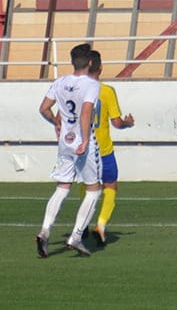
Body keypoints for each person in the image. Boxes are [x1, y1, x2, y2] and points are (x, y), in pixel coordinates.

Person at [35, 43, 102, 257]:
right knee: (94, 189)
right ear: (90, 62)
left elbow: (43, 108)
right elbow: (85, 113)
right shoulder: (91, 84)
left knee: (63, 187)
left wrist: (56, 121)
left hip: (65, 141)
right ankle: (76, 235)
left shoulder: (61, 82)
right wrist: (83, 140)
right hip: (83, 142)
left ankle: (45, 231)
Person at [84, 55, 134, 248]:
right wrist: (127, 123)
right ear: (101, 68)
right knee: (110, 186)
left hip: (84, 151)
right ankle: (101, 225)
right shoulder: (106, 91)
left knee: (88, 187)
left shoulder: (78, 91)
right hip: (103, 149)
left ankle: (82, 226)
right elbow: (116, 122)